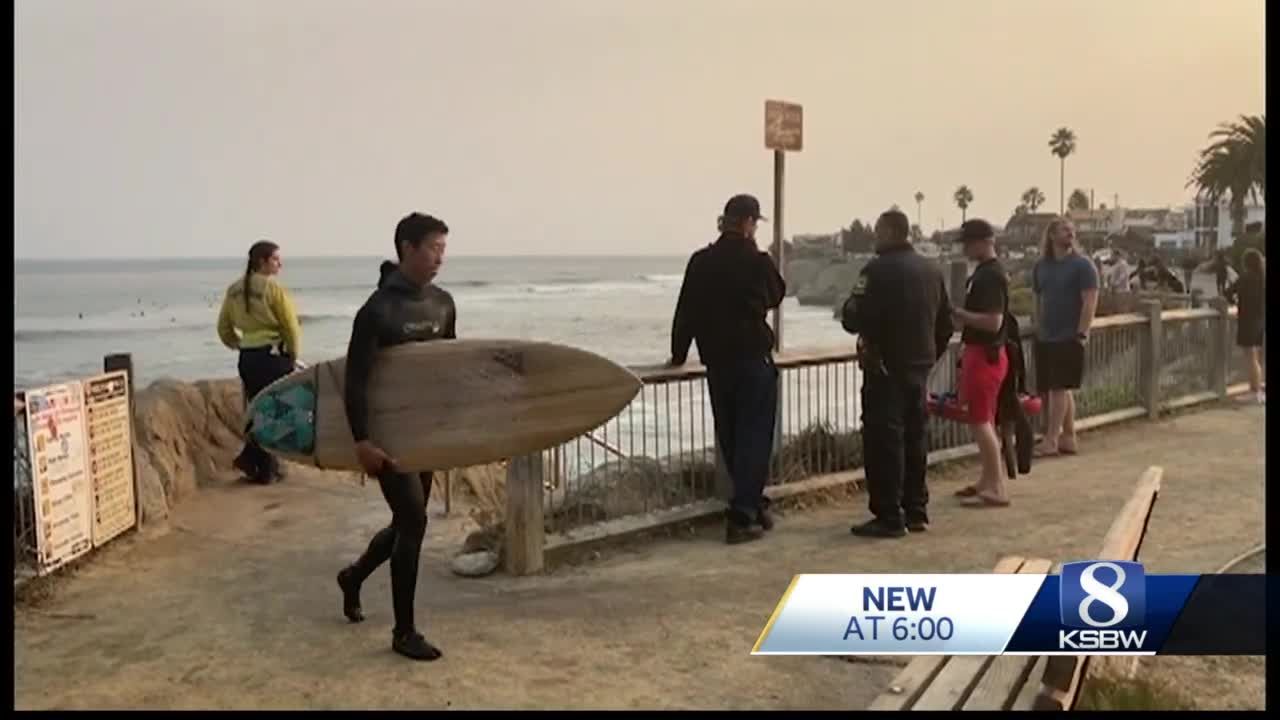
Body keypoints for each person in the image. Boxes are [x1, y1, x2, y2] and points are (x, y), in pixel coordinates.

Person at [335, 212, 456, 661]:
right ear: (407, 247)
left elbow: (449, 367)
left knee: (409, 522)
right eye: (433, 249)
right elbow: (356, 382)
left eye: (444, 249)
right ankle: (403, 633)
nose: (441, 258)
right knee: (415, 522)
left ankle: (354, 576)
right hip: (387, 436)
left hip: (424, 434)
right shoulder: (378, 311)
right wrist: (362, 440)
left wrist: (459, 432)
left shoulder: (443, 304)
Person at [670, 193, 785, 545]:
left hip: (718, 361)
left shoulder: (701, 261)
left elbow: (685, 312)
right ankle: (743, 513)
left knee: (732, 435)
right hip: (752, 357)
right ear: (749, 222)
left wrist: (678, 355)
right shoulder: (757, 260)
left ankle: (751, 502)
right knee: (755, 435)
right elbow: (777, 293)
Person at [841, 209, 953, 537]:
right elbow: (945, 323)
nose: (874, 237)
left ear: (890, 232)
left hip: (884, 369)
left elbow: (853, 317)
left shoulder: (876, 271)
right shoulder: (931, 270)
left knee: (883, 440)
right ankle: (916, 510)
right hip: (918, 369)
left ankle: (888, 514)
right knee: (915, 437)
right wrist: (928, 357)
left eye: (877, 231)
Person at [216, 240, 302, 484]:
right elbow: (290, 326)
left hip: (248, 358)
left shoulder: (233, 289)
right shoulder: (273, 290)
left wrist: (240, 344)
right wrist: (293, 354)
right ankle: (260, 465)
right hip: (273, 357)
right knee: (277, 412)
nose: (280, 263)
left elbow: (223, 327)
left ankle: (262, 465)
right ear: (262, 261)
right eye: (276, 259)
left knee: (258, 410)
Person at [949, 220, 1010, 507]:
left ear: (983, 241)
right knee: (984, 420)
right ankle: (987, 480)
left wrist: (962, 315)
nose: (966, 248)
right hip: (986, 355)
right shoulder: (986, 273)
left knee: (981, 421)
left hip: (984, 354)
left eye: (969, 242)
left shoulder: (990, 276)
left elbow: (993, 321)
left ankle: (996, 487)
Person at [1031, 218, 1098, 457]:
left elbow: (1090, 301)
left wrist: (1082, 332)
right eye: (1065, 230)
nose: (1071, 233)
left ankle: (1051, 439)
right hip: (1046, 335)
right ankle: (1068, 437)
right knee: (1055, 387)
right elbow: (1038, 298)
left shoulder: (1083, 265)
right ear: (1051, 235)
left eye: (1072, 230)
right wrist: (1037, 325)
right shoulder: (1041, 266)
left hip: (1069, 335)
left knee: (1059, 387)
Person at [1224, 249, 1265, 404]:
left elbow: (1228, 292)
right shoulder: (1262, 278)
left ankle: (1255, 392)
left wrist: (1235, 302)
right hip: (1260, 321)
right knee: (1255, 357)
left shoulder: (1246, 278)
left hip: (1247, 321)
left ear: (1246, 263)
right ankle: (1257, 391)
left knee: (1251, 357)